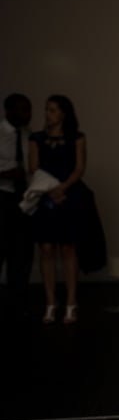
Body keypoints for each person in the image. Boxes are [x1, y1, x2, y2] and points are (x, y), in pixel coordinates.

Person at [29, 95, 106, 324]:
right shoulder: (36, 138)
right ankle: (51, 302)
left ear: (64, 113)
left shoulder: (77, 137)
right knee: (46, 248)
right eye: (46, 110)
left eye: (52, 110)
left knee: (68, 248)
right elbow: (34, 167)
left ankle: (72, 302)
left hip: (70, 194)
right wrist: (51, 189)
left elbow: (79, 167)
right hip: (45, 194)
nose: (47, 114)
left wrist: (63, 188)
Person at [0, 94, 33, 321]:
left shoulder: (30, 137)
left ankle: (17, 305)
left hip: (24, 202)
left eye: (28, 110)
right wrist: (7, 174)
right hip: (1, 197)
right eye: (21, 110)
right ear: (8, 110)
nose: (26, 114)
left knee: (21, 255)